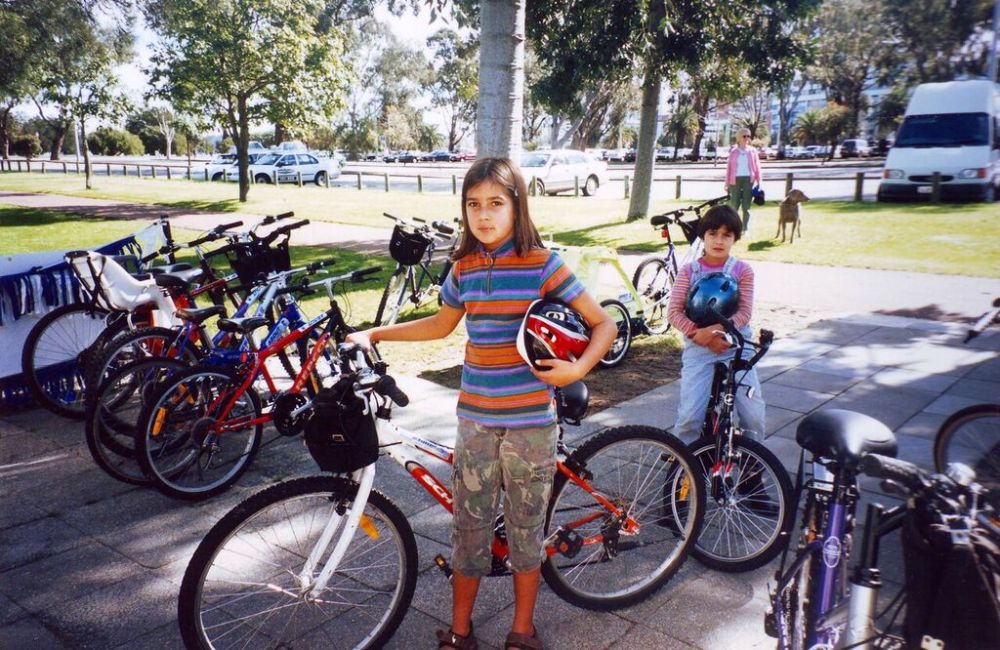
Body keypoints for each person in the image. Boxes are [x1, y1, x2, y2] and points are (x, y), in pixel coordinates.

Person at [346, 157, 615, 650]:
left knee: (526, 529)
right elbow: (439, 325)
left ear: (517, 206)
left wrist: (577, 370)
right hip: (474, 422)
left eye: (496, 203)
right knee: (468, 529)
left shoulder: (541, 263)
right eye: (474, 205)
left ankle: (522, 629)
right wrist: (375, 332)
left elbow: (605, 324)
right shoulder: (464, 267)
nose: (484, 215)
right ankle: (460, 630)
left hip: (531, 425)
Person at [666, 204, 766, 444]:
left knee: (753, 416)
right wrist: (697, 334)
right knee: (690, 416)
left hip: (736, 345)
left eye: (726, 235)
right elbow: (674, 312)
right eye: (713, 234)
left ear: (735, 238)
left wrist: (714, 332)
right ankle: (684, 465)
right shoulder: (690, 271)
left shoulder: (743, 271)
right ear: (703, 236)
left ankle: (753, 466)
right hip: (698, 346)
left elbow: (744, 312)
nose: (719, 241)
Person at [725, 128, 762, 234]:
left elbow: (757, 167)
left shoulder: (752, 151)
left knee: (746, 206)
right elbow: (729, 168)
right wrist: (727, 184)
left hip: (748, 180)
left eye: (748, 136)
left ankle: (745, 229)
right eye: (744, 136)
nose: (747, 138)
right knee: (734, 206)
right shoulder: (733, 151)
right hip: (734, 180)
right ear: (739, 138)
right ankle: (734, 228)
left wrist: (759, 182)